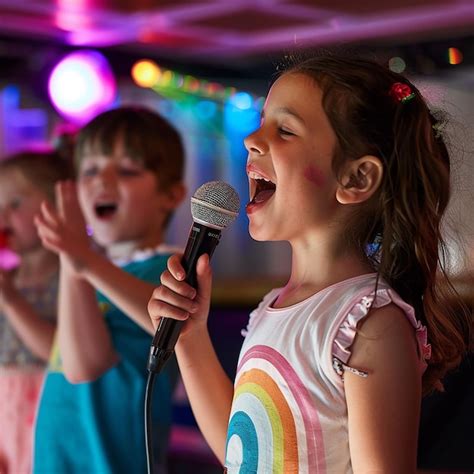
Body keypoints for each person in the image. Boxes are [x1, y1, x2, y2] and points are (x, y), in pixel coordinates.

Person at [147, 54, 471, 473]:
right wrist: (190, 339)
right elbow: (240, 449)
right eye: (261, 123)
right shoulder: (272, 308)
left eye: (284, 130)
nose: (251, 139)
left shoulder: (369, 323)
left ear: (356, 179)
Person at [33, 106, 186, 474]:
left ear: (170, 195)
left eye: (127, 170)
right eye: (89, 170)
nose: (102, 181)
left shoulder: (174, 270)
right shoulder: (89, 268)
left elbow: (85, 366)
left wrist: (79, 257)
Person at [0, 149, 72, 474]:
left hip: (46, 415)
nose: (3, 218)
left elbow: (59, 353)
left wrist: (12, 301)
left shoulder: (70, 280)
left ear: (55, 206)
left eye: (14, 204)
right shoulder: (8, 280)